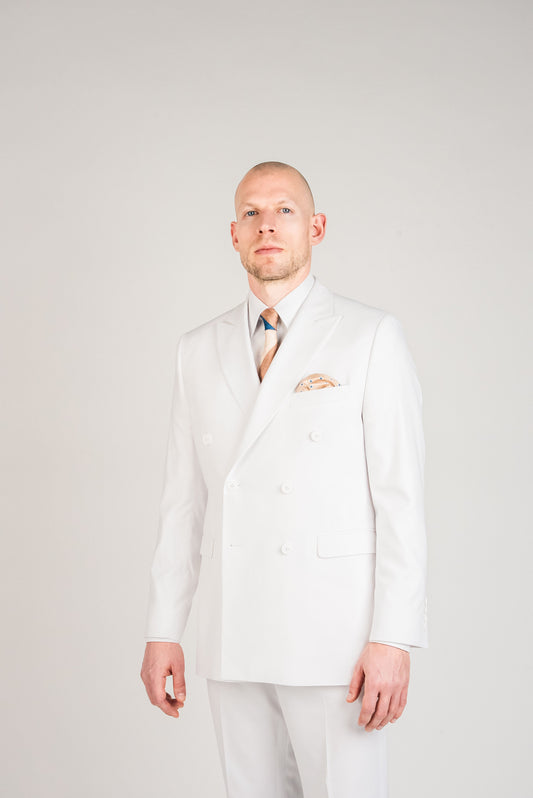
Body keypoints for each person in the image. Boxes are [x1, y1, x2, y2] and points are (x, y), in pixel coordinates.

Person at [140, 161, 428, 798]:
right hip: (233, 630)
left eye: (284, 210)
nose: (266, 225)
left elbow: (400, 500)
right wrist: (164, 629)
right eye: (251, 213)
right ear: (234, 234)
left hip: (335, 637)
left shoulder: (369, 336)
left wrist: (394, 636)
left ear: (316, 227)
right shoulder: (197, 349)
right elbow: (182, 505)